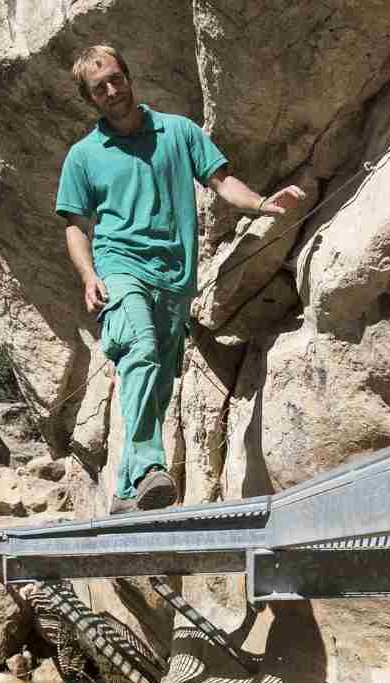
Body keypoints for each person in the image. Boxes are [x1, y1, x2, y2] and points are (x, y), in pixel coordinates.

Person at [56, 44, 306, 513]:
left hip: (175, 276)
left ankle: (128, 492)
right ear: (90, 101)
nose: (112, 91)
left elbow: (221, 181)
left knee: (157, 381)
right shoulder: (83, 156)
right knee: (141, 350)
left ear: (128, 76)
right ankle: (151, 467)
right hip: (120, 266)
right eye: (99, 88)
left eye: (116, 79)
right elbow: (75, 226)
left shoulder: (179, 131)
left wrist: (261, 203)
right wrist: (89, 274)